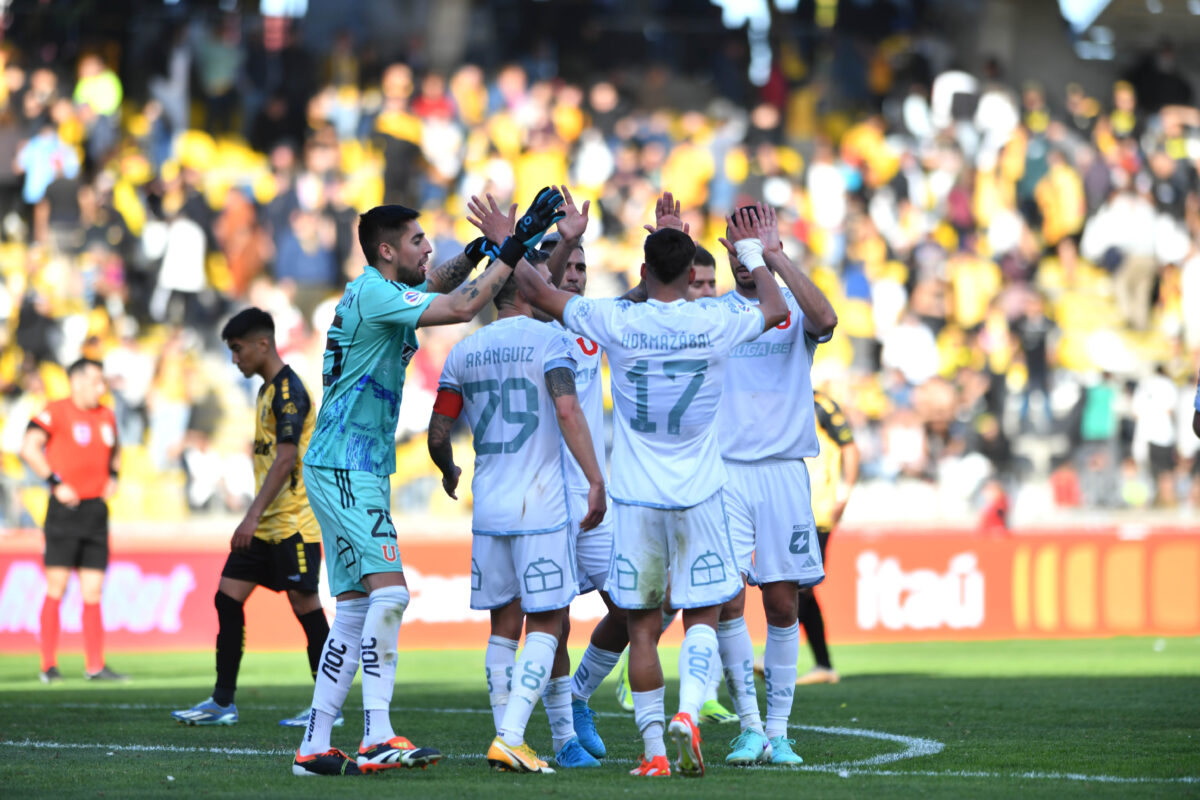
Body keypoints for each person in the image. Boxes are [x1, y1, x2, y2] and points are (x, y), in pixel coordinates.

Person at [291, 189, 563, 777]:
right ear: (386, 250)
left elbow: (441, 283)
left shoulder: (378, 291)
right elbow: (463, 306)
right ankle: (377, 734)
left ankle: (314, 744)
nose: (427, 246)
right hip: (345, 464)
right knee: (389, 594)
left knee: (359, 605)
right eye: (416, 240)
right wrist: (511, 248)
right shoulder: (373, 292)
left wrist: (477, 249)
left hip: (348, 463)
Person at [514, 208, 788, 778]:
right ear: (693, 274)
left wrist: (506, 240)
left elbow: (538, 293)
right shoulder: (715, 320)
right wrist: (756, 254)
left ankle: (655, 752)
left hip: (636, 499)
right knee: (704, 617)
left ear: (642, 269)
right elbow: (778, 308)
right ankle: (689, 712)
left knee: (641, 627)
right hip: (702, 494)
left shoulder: (618, 320)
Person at [427, 253, 606, 774]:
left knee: (503, 627)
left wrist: (448, 469)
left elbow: (439, 432)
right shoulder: (551, 342)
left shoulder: (463, 351)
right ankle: (510, 737)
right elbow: (568, 411)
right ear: (526, 292)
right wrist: (595, 478)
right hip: (542, 503)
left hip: (490, 505)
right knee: (548, 621)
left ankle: (518, 737)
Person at [712, 203, 838, 767]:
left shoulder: (792, 305)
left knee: (784, 601)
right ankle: (750, 727)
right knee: (729, 599)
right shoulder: (714, 314)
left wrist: (775, 257)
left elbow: (828, 319)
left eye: (756, 243)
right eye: (738, 246)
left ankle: (781, 731)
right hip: (726, 473)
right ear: (723, 249)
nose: (746, 258)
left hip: (785, 469)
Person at [171, 308, 334, 727]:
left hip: (294, 524)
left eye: (238, 349)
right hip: (267, 525)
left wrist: (249, 516)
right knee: (227, 598)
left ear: (263, 344)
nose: (234, 359)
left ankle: (327, 709)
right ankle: (222, 702)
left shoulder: (287, 392)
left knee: (306, 607)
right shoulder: (266, 391)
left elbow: (284, 461)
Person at [20, 358, 126, 683]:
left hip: (96, 511)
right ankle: (48, 665)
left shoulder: (106, 415)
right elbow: (28, 447)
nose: (101, 387)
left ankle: (95, 665)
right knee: (58, 585)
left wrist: (113, 475)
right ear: (78, 382)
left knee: (93, 591)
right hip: (65, 511)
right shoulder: (56, 411)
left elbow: (117, 450)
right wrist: (54, 481)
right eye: (96, 381)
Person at [797, 389, 859, 684]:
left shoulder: (820, 404)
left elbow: (850, 447)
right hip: (788, 508)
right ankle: (823, 665)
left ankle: (777, 656)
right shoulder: (775, 398)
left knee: (801, 585)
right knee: (798, 587)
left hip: (818, 510)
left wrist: (844, 493)